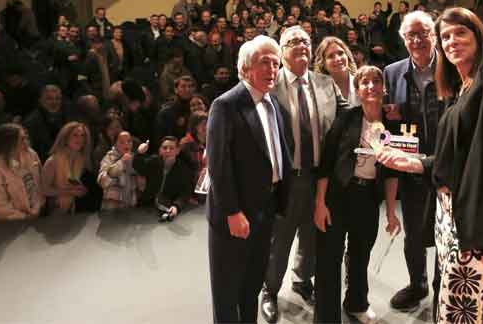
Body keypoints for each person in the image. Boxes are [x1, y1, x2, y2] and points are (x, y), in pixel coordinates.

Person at [377, 0, 483, 324]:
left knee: (464, 316)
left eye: (462, 34)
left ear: (478, 39)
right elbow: (450, 157)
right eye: (446, 37)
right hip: (449, 215)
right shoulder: (457, 92)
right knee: (449, 312)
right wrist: (412, 163)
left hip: (474, 220)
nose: (452, 41)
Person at [260, 27, 348, 323]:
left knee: (312, 236)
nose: (301, 45)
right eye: (293, 41)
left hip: (319, 178)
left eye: (306, 41)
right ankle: (270, 290)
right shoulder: (270, 86)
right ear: (282, 51)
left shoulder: (325, 83)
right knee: (280, 240)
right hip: (287, 178)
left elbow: (348, 116)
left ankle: (302, 280)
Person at [207, 36, 291, 323]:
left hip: (264, 210)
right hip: (236, 214)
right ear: (245, 68)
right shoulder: (226, 105)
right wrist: (232, 212)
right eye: (263, 62)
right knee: (227, 290)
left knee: (252, 285)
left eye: (275, 63)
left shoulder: (273, 103)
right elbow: (218, 166)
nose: (271, 69)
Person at [313, 65, 400, 324]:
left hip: (368, 200)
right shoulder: (346, 119)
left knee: (360, 255)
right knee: (329, 259)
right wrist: (320, 204)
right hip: (337, 197)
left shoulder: (392, 124)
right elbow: (326, 163)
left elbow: (394, 172)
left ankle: (356, 303)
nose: (371, 86)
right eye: (365, 82)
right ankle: (327, 317)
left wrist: (392, 213)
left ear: (384, 88)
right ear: (358, 89)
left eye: (376, 81)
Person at [382, 10, 443, 311]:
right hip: (410, 167)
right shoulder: (392, 73)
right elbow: (383, 118)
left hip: (446, 165)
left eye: (423, 33)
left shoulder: (453, 69)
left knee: (445, 231)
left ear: (434, 34)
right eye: (411, 35)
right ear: (403, 39)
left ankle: (440, 288)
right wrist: (388, 112)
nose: (417, 40)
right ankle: (418, 284)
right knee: (414, 233)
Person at [0, 123, 44, 222]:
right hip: (10, 223)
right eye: (22, 139)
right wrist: (24, 217)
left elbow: (39, 183)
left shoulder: (31, 154)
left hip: (35, 216)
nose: (26, 142)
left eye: (26, 138)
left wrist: (37, 209)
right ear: (9, 142)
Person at [134, 136, 196, 221]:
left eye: (171, 148)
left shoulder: (183, 169)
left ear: (177, 151)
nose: (168, 151)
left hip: (167, 208)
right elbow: (138, 166)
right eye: (165, 148)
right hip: (146, 206)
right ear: (160, 150)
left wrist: (176, 206)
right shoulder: (154, 161)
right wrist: (139, 153)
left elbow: (185, 192)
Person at [41, 122, 92, 215]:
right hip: (54, 211)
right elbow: (44, 189)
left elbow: (73, 182)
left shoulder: (81, 159)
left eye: (82, 136)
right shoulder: (53, 161)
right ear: (66, 137)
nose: (80, 139)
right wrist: (69, 192)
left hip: (73, 209)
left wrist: (79, 189)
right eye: (75, 135)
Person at [98, 131, 149, 210]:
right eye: (122, 142)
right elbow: (102, 182)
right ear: (115, 144)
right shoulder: (109, 158)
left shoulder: (135, 159)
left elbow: (142, 187)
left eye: (129, 141)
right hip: (111, 209)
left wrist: (141, 178)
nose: (126, 144)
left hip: (130, 208)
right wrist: (121, 162)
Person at [313, 36, 359, 106]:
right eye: (330, 56)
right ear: (323, 64)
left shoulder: (361, 84)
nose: (337, 59)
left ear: (347, 56)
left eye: (341, 53)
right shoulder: (317, 93)